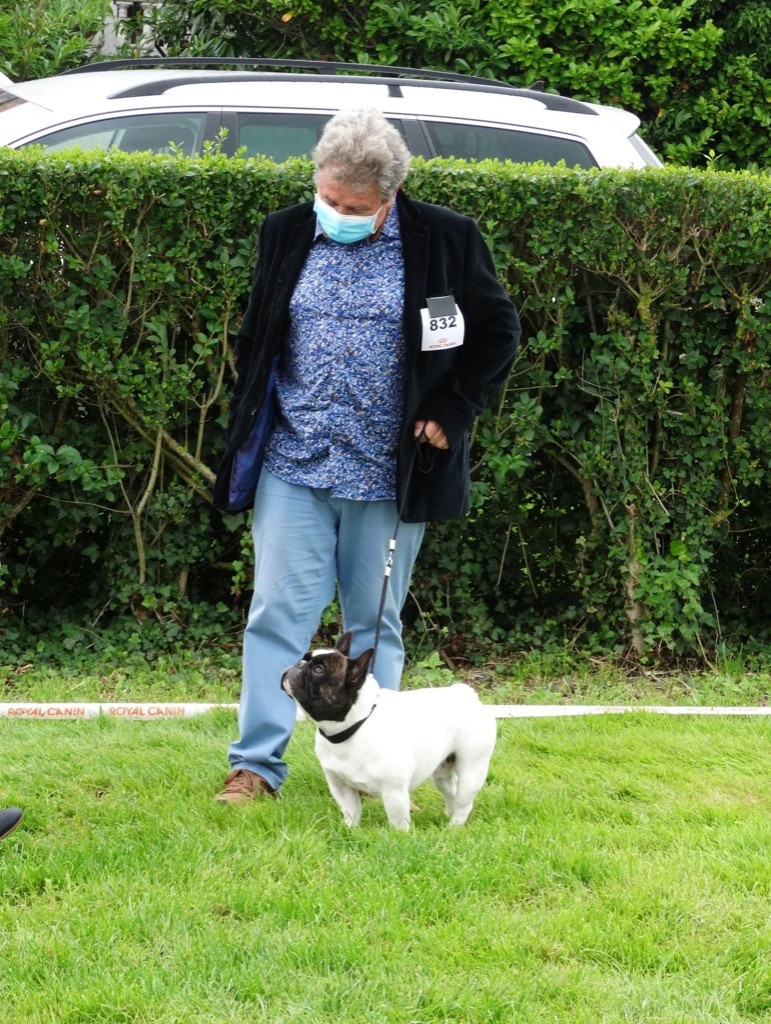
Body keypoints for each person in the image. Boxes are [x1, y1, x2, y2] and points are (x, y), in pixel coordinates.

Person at [212, 108, 520, 803]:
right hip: (294, 462)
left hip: (389, 473)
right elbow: (256, 332)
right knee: (276, 618)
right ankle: (255, 766)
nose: (336, 214)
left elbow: (496, 332)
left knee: (370, 624)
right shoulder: (285, 232)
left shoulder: (444, 239)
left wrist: (452, 410)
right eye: (327, 199)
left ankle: (375, 760)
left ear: (389, 197)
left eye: (354, 207)